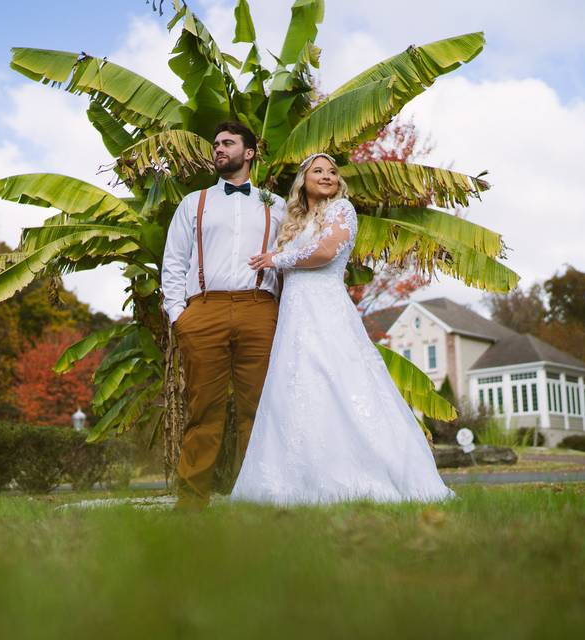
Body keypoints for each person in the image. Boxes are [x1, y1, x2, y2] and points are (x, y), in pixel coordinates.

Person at [230, 153, 455, 505]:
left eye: (332, 171)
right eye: (317, 171)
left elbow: (325, 252)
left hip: (327, 310)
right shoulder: (294, 221)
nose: (327, 176)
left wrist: (278, 258)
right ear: (302, 180)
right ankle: (296, 480)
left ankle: (368, 472)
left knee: (342, 381)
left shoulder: (342, 210)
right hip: (295, 315)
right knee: (295, 386)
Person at [161, 121, 286, 510]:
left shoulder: (275, 204)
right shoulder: (193, 203)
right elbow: (174, 262)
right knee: (204, 410)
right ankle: (191, 501)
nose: (219, 149)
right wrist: (179, 315)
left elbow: (289, 260)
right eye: (216, 144)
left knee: (258, 410)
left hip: (259, 310)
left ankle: (255, 498)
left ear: (248, 153)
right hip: (205, 311)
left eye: (228, 143)